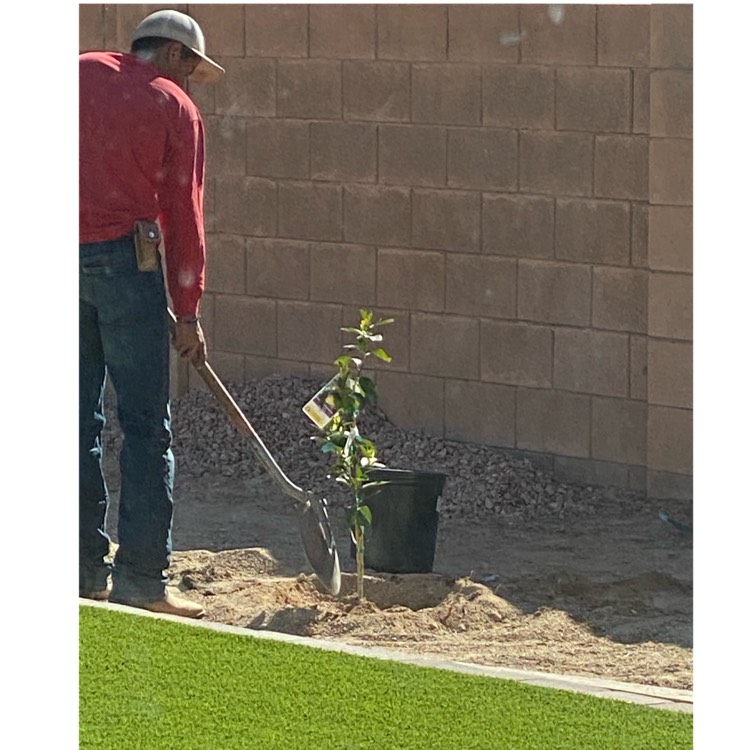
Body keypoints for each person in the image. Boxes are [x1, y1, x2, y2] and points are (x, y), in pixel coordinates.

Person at [79, 10, 225, 618]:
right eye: (191, 66)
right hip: (126, 265)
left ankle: (81, 569)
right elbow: (182, 216)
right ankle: (142, 578)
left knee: (71, 420)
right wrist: (187, 312)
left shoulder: (76, 72)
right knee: (144, 426)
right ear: (173, 55)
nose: (191, 80)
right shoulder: (172, 105)